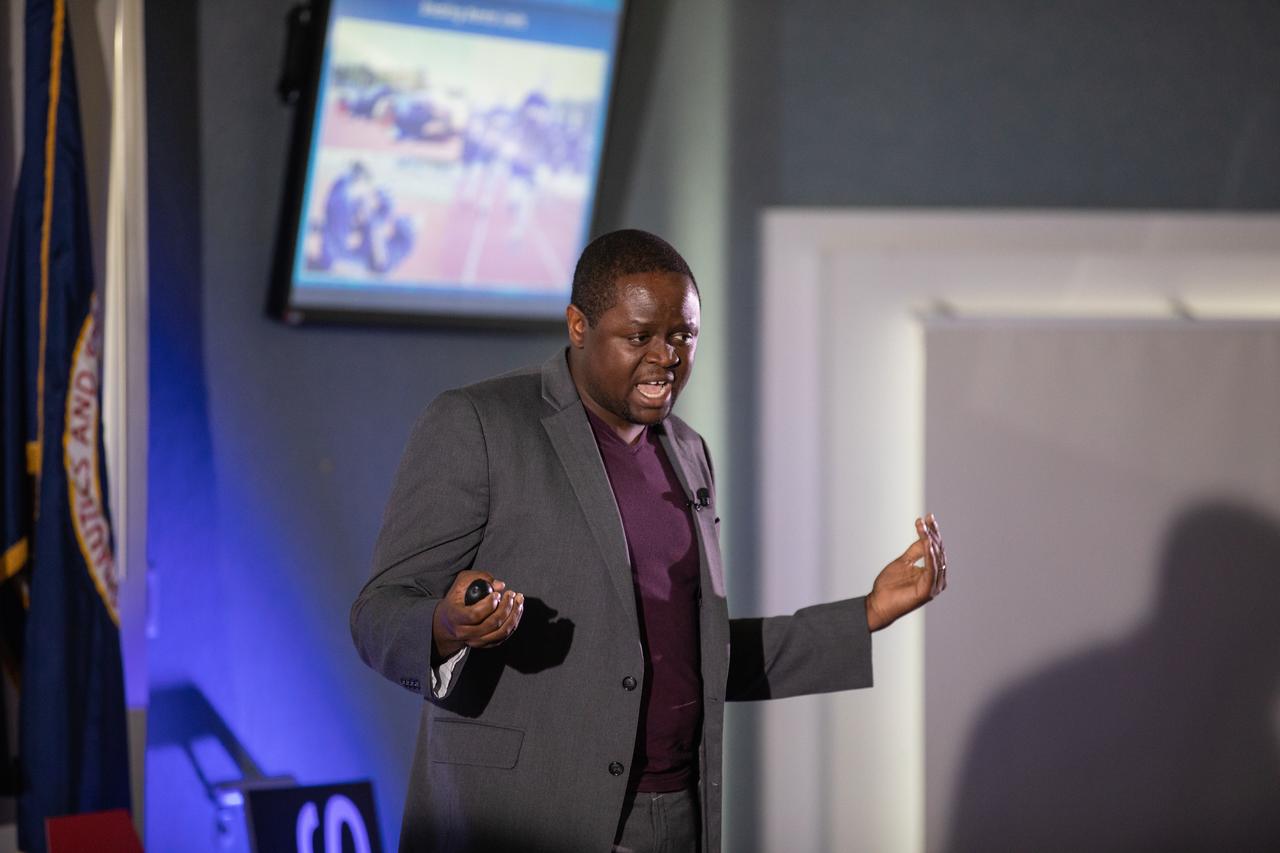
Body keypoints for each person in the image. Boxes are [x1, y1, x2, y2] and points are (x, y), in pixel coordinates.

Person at [350, 229, 947, 852]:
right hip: (523, 815)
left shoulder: (687, 451)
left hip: (674, 815)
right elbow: (378, 613)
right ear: (578, 326)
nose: (666, 357)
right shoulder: (479, 422)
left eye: (683, 335)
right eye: (639, 337)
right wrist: (447, 627)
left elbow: (697, 651)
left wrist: (866, 616)